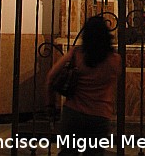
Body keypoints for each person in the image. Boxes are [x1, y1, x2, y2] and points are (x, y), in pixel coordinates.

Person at [47, 16, 122, 156]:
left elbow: (51, 77)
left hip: (74, 113)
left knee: (68, 152)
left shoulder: (77, 54)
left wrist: (51, 105)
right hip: (100, 115)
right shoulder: (115, 60)